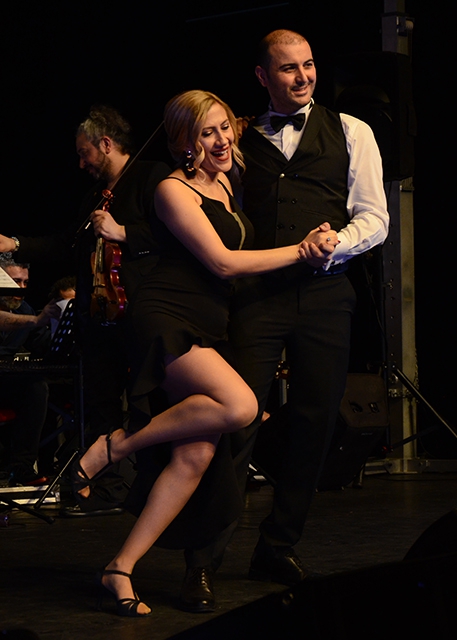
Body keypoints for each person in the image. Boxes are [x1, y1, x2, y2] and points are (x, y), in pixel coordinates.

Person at [71, 89, 335, 617]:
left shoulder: (228, 181)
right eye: (205, 132)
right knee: (240, 406)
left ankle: (119, 567)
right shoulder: (173, 190)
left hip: (208, 325)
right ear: (184, 143)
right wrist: (302, 251)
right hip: (167, 318)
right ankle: (114, 447)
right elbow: (223, 264)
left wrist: (316, 231)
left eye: (223, 127)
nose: (220, 139)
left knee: (195, 455)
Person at [180, 29, 390, 611]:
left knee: (315, 424)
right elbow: (201, 198)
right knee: (236, 422)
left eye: (309, 65)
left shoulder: (352, 131)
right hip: (256, 298)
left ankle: (278, 545)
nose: (303, 77)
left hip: (326, 296)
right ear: (262, 76)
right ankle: (203, 560)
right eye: (289, 68)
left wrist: (336, 242)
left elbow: (375, 217)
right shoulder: (239, 138)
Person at [0, 105, 171, 515]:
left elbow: (174, 233)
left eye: (85, 153)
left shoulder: (153, 178)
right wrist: (15, 244)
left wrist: (122, 232)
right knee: (101, 405)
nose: (81, 163)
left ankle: (154, 485)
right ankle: (109, 488)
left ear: (106, 143)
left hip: (143, 312)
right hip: (100, 318)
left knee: (147, 404)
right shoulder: (94, 198)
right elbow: (66, 244)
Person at [0, 257, 61, 486]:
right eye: (15, 282)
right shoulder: (26, 315)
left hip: (5, 380)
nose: (21, 289)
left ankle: (22, 467)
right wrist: (36, 320)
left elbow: (43, 344)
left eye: (25, 283)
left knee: (37, 387)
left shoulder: (23, 308)